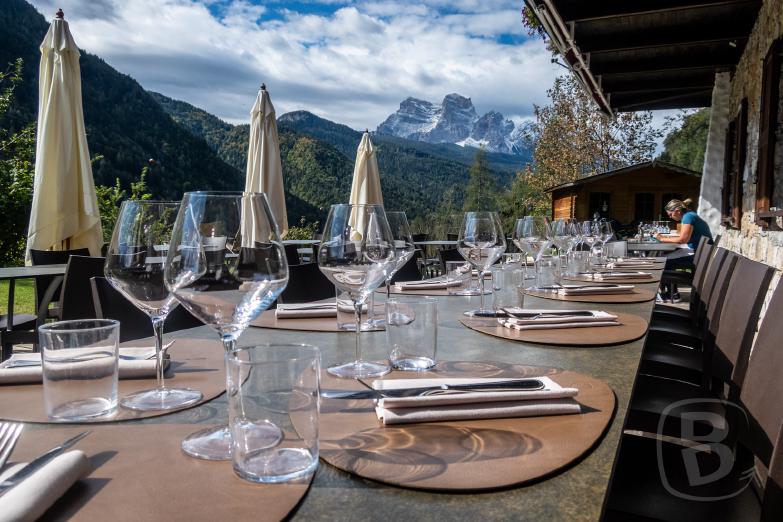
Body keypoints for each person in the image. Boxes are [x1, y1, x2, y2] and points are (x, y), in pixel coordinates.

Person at [655, 198, 713, 302]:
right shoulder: (690, 215)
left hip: (697, 254)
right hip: (700, 252)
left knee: (662, 260)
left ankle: (673, 294)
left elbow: (682, 239)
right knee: (664, 257)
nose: (670, 217)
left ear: (677, 211)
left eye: (670, 214)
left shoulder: (688, 217)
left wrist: (662, 239)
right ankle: (669, 292)